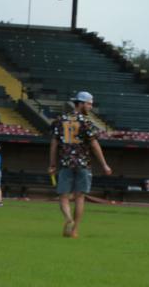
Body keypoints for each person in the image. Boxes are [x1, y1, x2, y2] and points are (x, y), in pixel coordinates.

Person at [48, 91, 112, 238]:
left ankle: (68, 218)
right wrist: (104, 165)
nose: (91, 106)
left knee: (63, 197)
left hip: (65, 163)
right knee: (79, 197)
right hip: (83, 164)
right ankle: (74, 230)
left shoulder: (60, 120)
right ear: (80, 103)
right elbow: (95, 145)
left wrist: (52, 164)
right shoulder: (86, 122)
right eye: (89, 103)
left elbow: (53, 144)